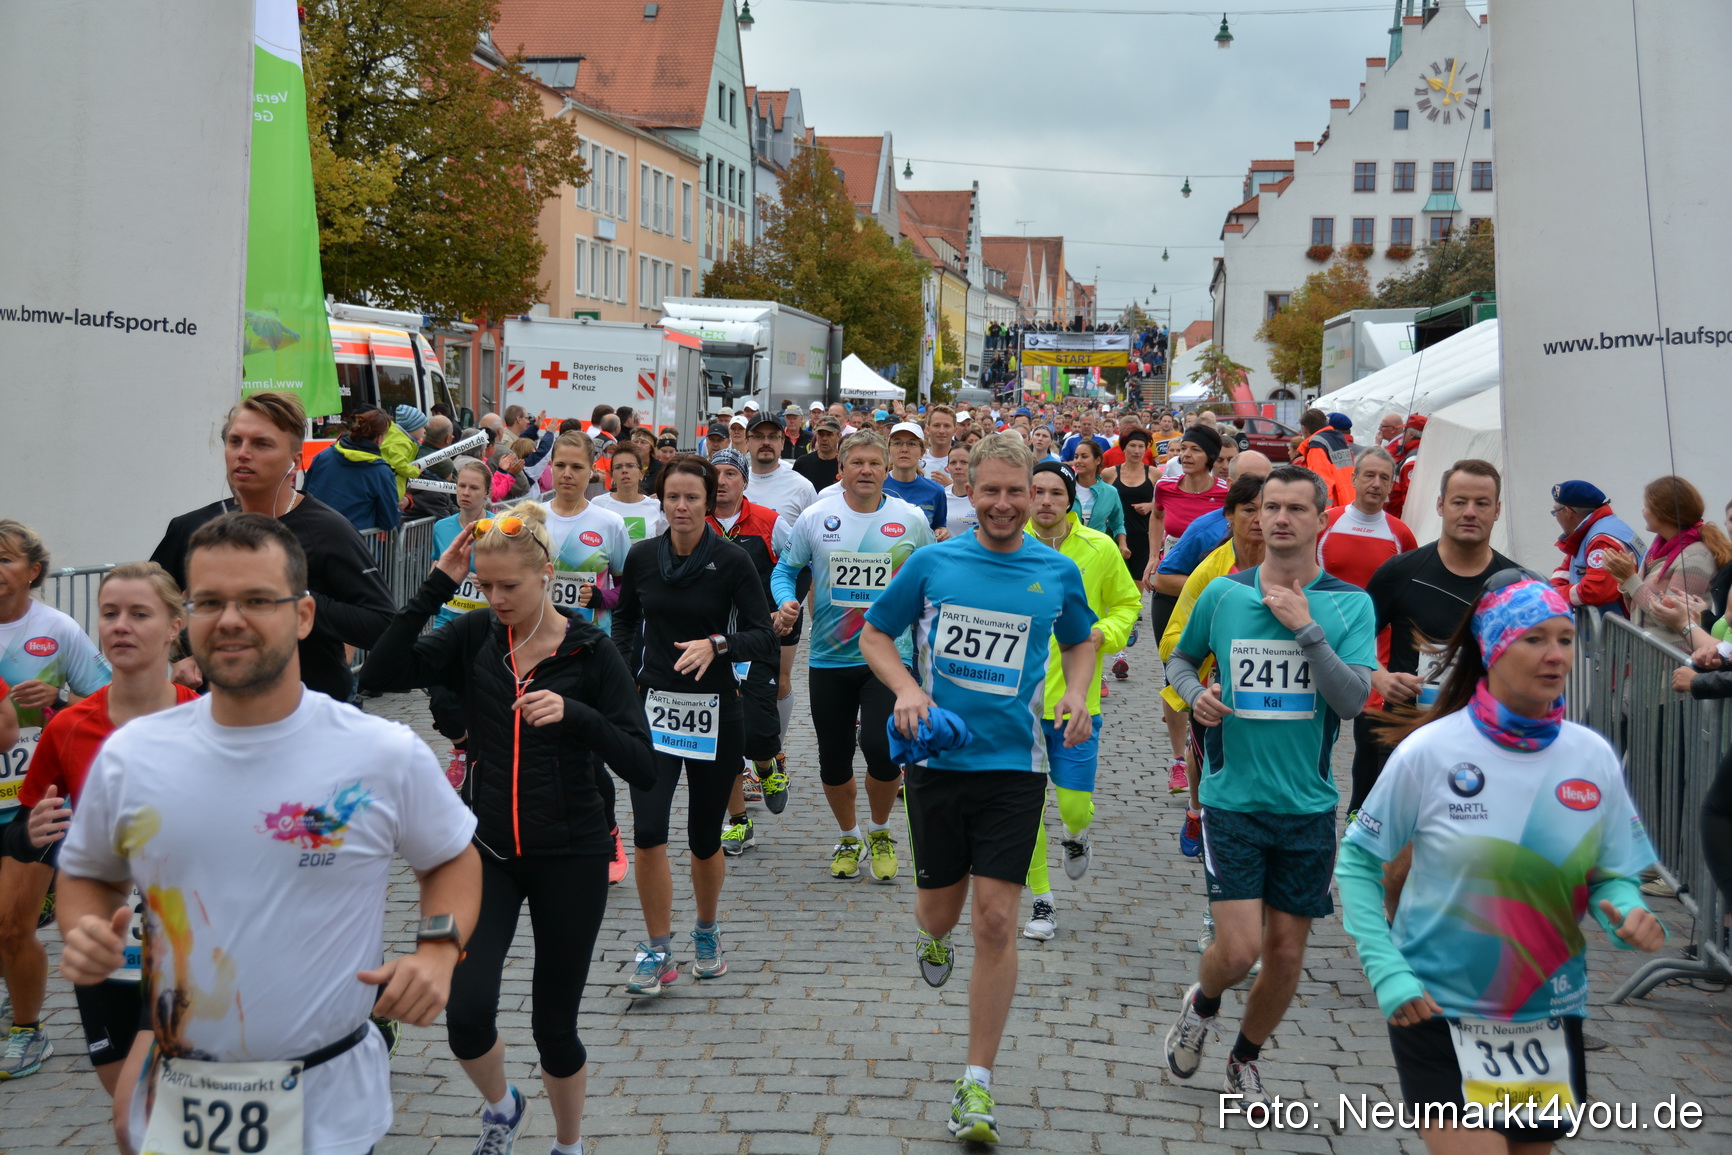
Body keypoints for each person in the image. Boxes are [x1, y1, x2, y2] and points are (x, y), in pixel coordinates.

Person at [59, 513, 480, 1154]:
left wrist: (438, 950)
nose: (230, 619)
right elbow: (88, 872)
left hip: (330, 1095)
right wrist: (84, 927)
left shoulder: (379, 753)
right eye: (210, 601)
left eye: (257, 600)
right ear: (187, 619)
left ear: (304, 615)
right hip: (184, 1089)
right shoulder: (134, 755)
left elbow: (449, 856)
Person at [361, 498, 654, 1155]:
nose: (494, 599)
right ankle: (503, 1107)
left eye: (508, 586)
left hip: (573, 853)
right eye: (483, 586)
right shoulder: (473, 638)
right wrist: (439, 580)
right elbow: (380, 674)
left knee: (555, 1025)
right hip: (485, 851)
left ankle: (568, 1145)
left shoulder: (591, 649)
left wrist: (576, 714)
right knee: (465, 1014)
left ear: (546, 573)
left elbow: (643, 763)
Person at [1337, 576, 1664, 1152]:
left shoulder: (1590, 755)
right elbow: (1359, 864)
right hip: (1437, 1004)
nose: (1557, 654)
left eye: (1566, 638)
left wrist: (1628, 910)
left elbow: (1614, 872)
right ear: (1493, 647)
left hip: (1547, 1009)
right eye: (1536, 639)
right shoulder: (1432, 750)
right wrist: (1387, 970)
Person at [859, 433, 1095, 1144]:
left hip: (1015, 769)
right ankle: (934, 941)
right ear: (968, 487)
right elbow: (875, 633)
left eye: (1014, 491)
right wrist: (905, 687)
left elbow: (1082, 639)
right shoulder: (933, 561)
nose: (1002, 504)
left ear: (1035, 492)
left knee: (995, 920)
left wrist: (1077, 693)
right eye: (988, 490)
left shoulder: (1054, 573)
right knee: (938, 914)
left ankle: (976, 1083)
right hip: (935, 764)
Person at [1163, 464, 1376, 1105]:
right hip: (1232, 798)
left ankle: (1244, 1058)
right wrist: (1196, 693)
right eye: (1268, 508)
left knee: (1284, 955)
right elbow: (1178, 657)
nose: (1277, 519)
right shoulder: (1224, 596)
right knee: (1238, 950)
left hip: (1307, 806)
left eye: (1293, 509)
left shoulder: (1349, 604)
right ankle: (1202, 1005)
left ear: (1321, 519)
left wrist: (1306, 630)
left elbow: (1352, 700)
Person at [2, 565, 187, 1091]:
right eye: (110, 614)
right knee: (122, 1087)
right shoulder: (68, 726)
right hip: (105, 934)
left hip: (194, 936)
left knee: (183, 1089)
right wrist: (31, 832)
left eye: (139, 614)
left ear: (175, 626)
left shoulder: (209, 721)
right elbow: (19, 833)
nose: (121, 626)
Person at [612, 457, 777, 995]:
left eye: (692, 499)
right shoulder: (641, 557)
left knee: (704, 839)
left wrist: (718, 645)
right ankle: (658, 948)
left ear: (710, 503)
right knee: (648, 831)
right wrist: (622, 672)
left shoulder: (731, 561)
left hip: (715, 712)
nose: (681, 508)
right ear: (661, 501)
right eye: (673, 498)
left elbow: (763, 635)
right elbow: (625, 618)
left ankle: (706, 931)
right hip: (654, 711)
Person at [153, 392, 396, 702]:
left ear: (294, 461)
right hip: (217, 710)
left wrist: (293, 598)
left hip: (310, 710)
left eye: (261, 444)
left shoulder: (328, 530)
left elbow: (383, 624)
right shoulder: (192, 527)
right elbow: (153, 605)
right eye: (235, 441)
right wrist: (180, 653)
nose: (243, 453)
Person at [1355, 457, 1517, 917]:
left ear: (1497, 511)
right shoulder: (1401, 572)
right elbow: (1354, 640)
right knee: (1397, 865)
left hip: (1482, 743)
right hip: (1404, 737)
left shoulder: (1515, 585)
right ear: (1441, 505)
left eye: (1481, 503)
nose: (1470, 511)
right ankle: (1396, 930)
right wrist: (1380, 676)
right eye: (1460, 501)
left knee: (1466, 859)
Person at [773, 432, 936, 881]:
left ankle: (881, 831)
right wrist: (787, 601)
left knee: (882, 751)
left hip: (889, 656)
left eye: (874, 463)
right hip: (829, 658)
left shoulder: (911, 519)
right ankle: (848, 836)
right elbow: (786, 568)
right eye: (857, 463)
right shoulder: (816, 516)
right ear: (841, 470)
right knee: (834, 758)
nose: (866, 470)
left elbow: (934, 575)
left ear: (887, 470)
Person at [0, 520, 111, 1077]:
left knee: (9, 925)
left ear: (33, 571)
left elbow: (109, 699)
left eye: (5, 561)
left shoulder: (56, 629)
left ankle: (27, 1031)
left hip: (33, 801)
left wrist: (59, 696)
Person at [1020, 462, 1141, 942]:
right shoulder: (1009, 547)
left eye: (1055, 493)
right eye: (1037, 492)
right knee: (1026, 809)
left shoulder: (1100, 548)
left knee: (1073, 806)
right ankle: (1042, 900)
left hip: (1076, 704)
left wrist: (1102, 635)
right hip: (1018, 707)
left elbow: (1127, 603)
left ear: (1071, 500)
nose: (1045, 501)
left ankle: (1076, 836)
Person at [1159, 474, 1267, 891]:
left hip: (1266, 695)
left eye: (1266, 508)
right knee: (1205, 763)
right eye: (1249, 509)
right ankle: (1197, 813)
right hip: (1214, 687)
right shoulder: (1211, 572)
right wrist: (1205, 678)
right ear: (1229, 516)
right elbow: (1176, 641)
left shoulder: (1292, 563)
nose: (1259, 519)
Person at [704, 449, 786, 854]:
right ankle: (738, 821)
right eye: (715, 473)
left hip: (756, 641)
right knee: (724, 738)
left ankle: (768, 765)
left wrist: (786, 610)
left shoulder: (769, 522)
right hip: (709, 646)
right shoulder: (692, 523)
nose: (722, 481)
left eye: (731, 473)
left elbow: (795, 566)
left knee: (756, 733)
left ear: (744, 481)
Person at [1602, 475, 1732, 652]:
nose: (1642, 511)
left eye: (1647, 505)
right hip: (1647, 660)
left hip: (1672, 663)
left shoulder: (1696, 556)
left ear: (1663, 511)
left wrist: (1631, 578)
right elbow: (1637, 609)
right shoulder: (1657, 552)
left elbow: (1670, 618)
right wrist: (1625, 581)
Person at [426, 459, 494, 788]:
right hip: (446, 624)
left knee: (480, 703)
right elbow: (435, 570)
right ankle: (460, 747)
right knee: (440, 700)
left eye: (473, 488)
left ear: (487, 493)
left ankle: (482, 765)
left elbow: (515, 576)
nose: (465, 493)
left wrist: (491, 582)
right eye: (461, 486)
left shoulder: (500, 527)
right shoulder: (442, 528)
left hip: (486, 628)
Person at [1319, 448, 1417, 591]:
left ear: (1390, 486)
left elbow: (1409, 588)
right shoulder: (1324, 522)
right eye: (1369, 475)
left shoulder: (1402, 533)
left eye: (1384, 478)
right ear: (1354, 479)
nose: (1376, 484)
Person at [1547, 480, 1642, 616]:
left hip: (1616, 633)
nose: (1556, 517)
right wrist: (1552, 590)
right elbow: (1568, 568)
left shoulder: (1602, 541)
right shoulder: (1592, 531)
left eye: (1555, 512)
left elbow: (1596, 590)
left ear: (1568, 512)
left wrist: (1555, 596)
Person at [302, 408, 404, 532]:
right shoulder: (381, 472)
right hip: (355, 544)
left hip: (313, 536)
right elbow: (388, 521)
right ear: (379, 438)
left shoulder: (323, 456)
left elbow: (304, 495)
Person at [1105, 429, 1155, 593]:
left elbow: (1167, 503)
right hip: (1113, 535)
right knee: (1111, 584)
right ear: (1123, 448)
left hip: (1142, 536)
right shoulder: (1109, 473)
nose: (1137, 450)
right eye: (1132, 446)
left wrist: (1151, 506)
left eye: (1141, 446)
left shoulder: (1155, 474)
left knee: (1135, 591)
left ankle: (1131, 617)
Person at [590, 441, 668, 542]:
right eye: (618, 467)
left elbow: (667, 540)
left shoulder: (655, 505)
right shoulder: (598, 504)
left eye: (630, 466)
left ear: (641, 473)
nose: (624, 470)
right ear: (612, 475)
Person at [884, 422, 950, 538]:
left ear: (922, 452)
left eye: (911, 444)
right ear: (889, 449)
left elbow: (938, 526)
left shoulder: (936, 491)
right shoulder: (875, 487)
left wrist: (941, 531)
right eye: (897, 443)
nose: (904, 449)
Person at [1069, 439, 1125, 551]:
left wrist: (1123, 545)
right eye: (1076, 457)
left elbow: (1118, 524)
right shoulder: (1065, 488)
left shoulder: (1110, 492)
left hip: (1097, 550)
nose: (1078, 461)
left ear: (1097, 460)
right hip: (1068, 549)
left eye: (1084, 457)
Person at [1296, 408, 1354, 508]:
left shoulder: (1317, 444)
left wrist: (1323, 512)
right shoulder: (1337, 438)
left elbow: (1322, 483)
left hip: (1333, 509)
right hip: (1348, 501)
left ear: (1304, 428)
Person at [793, 415, 844, 489]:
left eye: (829, 435)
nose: (824, 438)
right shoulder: (802, 463)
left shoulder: (844, 465)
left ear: (839, 436)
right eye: (821, 434)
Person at [942, 444, 979, 539]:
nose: (958, 467)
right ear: (948, 467)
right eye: (953, 462)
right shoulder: (941, 496)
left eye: (963, 462)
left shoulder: (982, 496)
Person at [921, 404, 958, 481]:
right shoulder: (917, 460)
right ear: (927, 429)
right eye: (936, 425)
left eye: (947, 426)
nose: (941, 431)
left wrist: (950, 487)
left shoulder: (964, 461)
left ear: (955, 431)